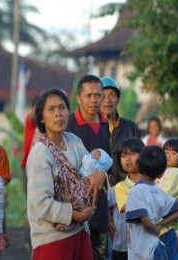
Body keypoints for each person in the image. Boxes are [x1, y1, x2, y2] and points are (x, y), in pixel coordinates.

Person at [27, 88, 107, 260]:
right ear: (41, 117)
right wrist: (75, 215)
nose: (58, 114)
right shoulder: (40, 153)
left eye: (62, 108)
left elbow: (91, 171)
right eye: (51, 109)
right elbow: (40, 204)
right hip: (52, 240)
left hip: (80, 235)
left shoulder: (75, 142)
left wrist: (101, 175)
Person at [66, 74, 110, 259]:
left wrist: (102, 175)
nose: (94, 100)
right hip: (73, 208)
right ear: (79, 98)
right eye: (89, 95)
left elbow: (110, 162)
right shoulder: (68, 124)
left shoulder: (106, 124)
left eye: (98, 95)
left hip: (99, 208)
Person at [126, 145, 178, 259]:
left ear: (138, 165)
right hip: (157, 249)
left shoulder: (135, 192)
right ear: (161, 174)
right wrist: (160, 224)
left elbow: (147, 223)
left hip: (143, 253)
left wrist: (154, 228)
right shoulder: (159, 193)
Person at [108, 138, 145, 260]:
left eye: (132, 154)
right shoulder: (117, 188)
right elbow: (104, 209)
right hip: (121, 248)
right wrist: (113, 230)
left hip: (146, 247)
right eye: (123, 155)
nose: (128, 159)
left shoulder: (154, 185)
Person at [100, 76, 140, 184]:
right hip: (100, 187)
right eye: (103, 96)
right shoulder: (91, 128)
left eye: (112, 96)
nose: (107, 100)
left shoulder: (131, 128)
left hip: (127, 186)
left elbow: (140, 159)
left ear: (117, 100)